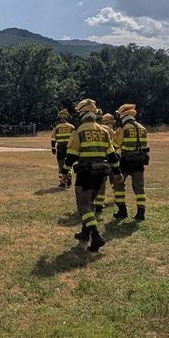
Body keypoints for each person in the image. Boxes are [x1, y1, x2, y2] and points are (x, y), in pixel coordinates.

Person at [66, 99, 122, 253]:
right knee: (90, 204)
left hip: (85, 173)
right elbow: (112, 156)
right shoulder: (104, 131)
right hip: (100, 173)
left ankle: (96, 236)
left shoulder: (80, 131)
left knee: (83, 205)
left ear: (83, 113)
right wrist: (117, 173)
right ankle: (85, 234)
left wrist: (64, 171)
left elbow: (71, 154)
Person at [112, 103, 149, 221]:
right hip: (139, 161)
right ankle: (141, 212)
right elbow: (145, 147)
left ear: (123, 115)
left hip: (126, 162)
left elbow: (115, 145)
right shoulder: (142, 128)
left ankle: (122, 211)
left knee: (118, 184)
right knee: (139, 188)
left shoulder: (123, 129)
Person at [95, 112, 118, 214]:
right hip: (111, 155)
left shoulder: (97, 128)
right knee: (114, 177)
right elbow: (116, 141)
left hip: (100, 157)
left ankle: (99, 202)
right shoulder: (109, 130)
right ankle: (117, 196)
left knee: (100, 181)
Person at [50, 109, 75, 189]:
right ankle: (69, 179)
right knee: (69, 165)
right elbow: (74, 138)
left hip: (60, 148)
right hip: (69, 148)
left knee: (61, 165)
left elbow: (53, 139)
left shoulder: (57, 127)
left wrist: (53, 148)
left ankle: (62, 182)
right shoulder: (71, 127)